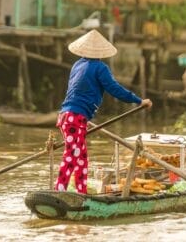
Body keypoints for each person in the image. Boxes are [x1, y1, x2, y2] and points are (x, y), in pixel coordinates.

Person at [54, 29, 152, 194]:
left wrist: (84, 119)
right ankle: (59, 190)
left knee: (82, 157)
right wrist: (138, 101)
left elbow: (75, 91)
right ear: (100, 52)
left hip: (67, 117)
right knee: (72, 155)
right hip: (75, 117)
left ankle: (81, 192)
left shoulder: (77, 65)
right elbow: (115, 89)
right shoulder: (100, 68)